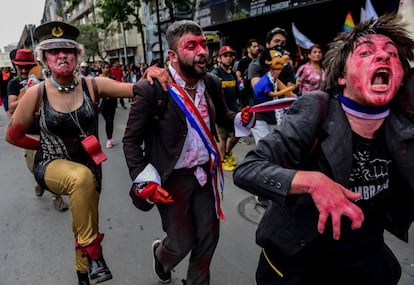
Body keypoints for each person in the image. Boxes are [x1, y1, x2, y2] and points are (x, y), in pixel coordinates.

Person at [233, 13, 414, 285]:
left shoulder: (404, 123)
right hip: (300, 261)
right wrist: (311, 182)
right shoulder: (317, 108)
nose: (383, 57)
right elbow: (248, 168)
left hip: (364, 263)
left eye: (392, 54)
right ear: (340, 76)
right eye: (366, 52)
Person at [123, 19, 254, 285]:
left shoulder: (212, 82)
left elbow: (225, 117)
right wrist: (143, 179)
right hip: (172, 178)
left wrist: (243, 117)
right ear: (172, 54)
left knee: (208, 237)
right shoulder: (153, 89)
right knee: (181, 242)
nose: (202, 51)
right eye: (191, 46)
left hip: (206, 176)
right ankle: (162, 257)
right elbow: (131, 141)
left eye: (204, 44)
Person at [5, 20, 134, 285]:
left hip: (90, 167)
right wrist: (40, 146)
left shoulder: (91, 85)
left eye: (69, 50)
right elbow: (12, 135)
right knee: (80, 179)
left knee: (84, 220)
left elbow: (135, 89)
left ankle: (83, 275)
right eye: (54, 51)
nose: (62, 55)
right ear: (45, 59)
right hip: (51, 165)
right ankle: (95, 254)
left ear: (77, 56)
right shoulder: (36, 94)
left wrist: (157, 75)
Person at [7, 48, 69, 211]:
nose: (24, 70)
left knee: (53, 165)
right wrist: (28, 91)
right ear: (15, 66)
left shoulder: (44, 80)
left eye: (28, 66)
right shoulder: (13, 84)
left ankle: (57, 197)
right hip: (29, 134)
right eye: (21, 67)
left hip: (48, 131)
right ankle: (39, 180)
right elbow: (12, 107)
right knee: (34, 167)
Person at [211, 45, 240, 171]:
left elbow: (237, 92)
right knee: (222, 137)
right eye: (225, 56)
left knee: (239, 133)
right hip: (221, 111)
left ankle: (228, 153)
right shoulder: (215, 74)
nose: (228, 58)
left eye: (230, 56)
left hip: (233, 110)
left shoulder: (233, 73)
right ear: (219, 58)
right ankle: (222, 160)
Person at [235, 38, 260, 107]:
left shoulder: (259, 62)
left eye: (257, 46)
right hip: (247, 96)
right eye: (254, 46)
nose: (257, 48)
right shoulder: (243, 61)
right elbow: (238, 76)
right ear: (248, 49)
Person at [98, 61, 118, 148]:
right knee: (108, 121)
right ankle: (108, 139)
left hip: (112, 102)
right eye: (104, 68)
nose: (106, 69)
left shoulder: (112, 78)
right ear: (101, 69)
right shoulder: (97, 79)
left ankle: (110, 138)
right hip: (103, 103)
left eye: (107, 67)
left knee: (111, 121)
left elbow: (116, 89)